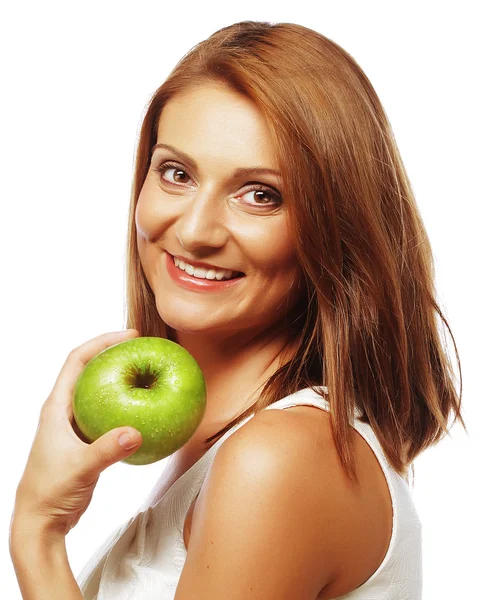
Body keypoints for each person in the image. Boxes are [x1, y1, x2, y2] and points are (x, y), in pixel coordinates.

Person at [9, 20, 466, 600]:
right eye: (176, 173)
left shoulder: (277, 460)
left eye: (260, 194)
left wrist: (37, 533)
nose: (195, 231)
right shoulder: (237, 449)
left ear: (334, 228)